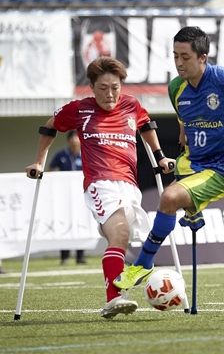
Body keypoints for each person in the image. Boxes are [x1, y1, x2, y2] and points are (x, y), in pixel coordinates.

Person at [114, 26, 224, 290]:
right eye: (175, 55)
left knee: (168, 198)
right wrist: (182, 132)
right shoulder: (176, 87)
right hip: (189, 163)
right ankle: (194, 211)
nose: (178, 63)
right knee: (174, 198)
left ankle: (142, 264)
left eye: (185, 57)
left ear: (203, 57)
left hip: (220, 169)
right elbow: (183, 115)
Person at [26, 56, 175, 320]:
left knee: (125, 237)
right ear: (92, 87)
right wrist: (38, 160)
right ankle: (113, 300)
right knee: (119, 234)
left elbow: (145, 126)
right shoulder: (79, 109)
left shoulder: (131, 105)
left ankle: (126, 279)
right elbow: (49, 127)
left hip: (129, 184)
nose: (110, 94)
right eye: (103, 88)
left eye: (115, 87)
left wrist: (160, 156)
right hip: (99, 181)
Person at [47, 130, 86, 265]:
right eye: (73, 138)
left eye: (77, 138)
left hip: (82, 196)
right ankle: (64, 257)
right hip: (64, 197)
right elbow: (49, 170)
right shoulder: (61, 155)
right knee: (64, 224)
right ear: (69, 140)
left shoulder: (87, 154)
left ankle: (80, 256)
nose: (75, 140)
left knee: (82, 223)